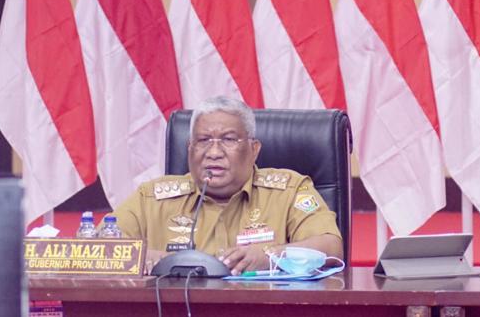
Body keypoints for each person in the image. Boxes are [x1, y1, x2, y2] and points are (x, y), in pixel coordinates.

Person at [110, 96, 343, 275]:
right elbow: (98, 248)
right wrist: (143, 257)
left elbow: (331, 247)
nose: (213, 152)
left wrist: (271, 256)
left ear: (254, 150)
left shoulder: (289, 191)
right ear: (189, 148)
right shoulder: (151, 198)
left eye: (229, 139)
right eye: (203, 141)